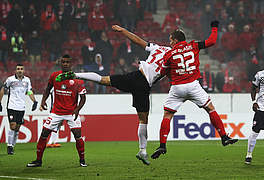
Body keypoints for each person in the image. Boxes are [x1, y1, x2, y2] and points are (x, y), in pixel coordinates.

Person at [56, 25, 171, 165]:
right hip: (143, 85)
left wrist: (123, 30)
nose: (171, 42)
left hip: (134, 76)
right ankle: (142, 151)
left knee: (104, 79)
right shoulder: (175, 57)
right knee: (143, 119)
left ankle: (75, 75)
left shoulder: (158, 47)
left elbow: (138, 40)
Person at [151, 21, 238, 160]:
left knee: (167, 115)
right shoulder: (193, 45)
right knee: (210, 108)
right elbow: (212, 41)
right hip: (193, 85)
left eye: (171, 40)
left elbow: (162, 71)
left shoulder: (170, 54)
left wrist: (166, 75)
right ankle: (224, 137)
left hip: (177, 87)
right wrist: (214, 27)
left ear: (175, 40)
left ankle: (162, 145)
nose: (170, 42)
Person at [26, 54, 87, 167]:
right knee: (44, 134)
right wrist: (43, 101)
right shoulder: (54, 75)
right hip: (56, 113)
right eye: (63, 62)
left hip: (71, 113)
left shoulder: (77, 80)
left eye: (67, 62)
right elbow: (47, 89)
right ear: (60, 63)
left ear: (71, 64)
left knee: (77, 136)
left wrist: (77, 110)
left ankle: (82, 160)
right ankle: (38, 160)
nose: (65, 64)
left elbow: (83, 98)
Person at [0, 64, 38, 155]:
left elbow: (29, 91)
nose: (20, 70)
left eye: (21, 69)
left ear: (24, 70)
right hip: (11, 106)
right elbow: (3, 89)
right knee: (12, 125)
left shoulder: (27, 80)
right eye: (18, 69)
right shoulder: (10, 79)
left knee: (17, 128)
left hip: (21, 107)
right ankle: (9, 146)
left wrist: (34, 101)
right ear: (15, 70)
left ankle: (13, 145)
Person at [245, 69, 264, 164]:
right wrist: (254, 102)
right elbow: (253, 88)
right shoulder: (260, 74)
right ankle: (249, 154)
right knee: (255, 132)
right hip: (261, 108)